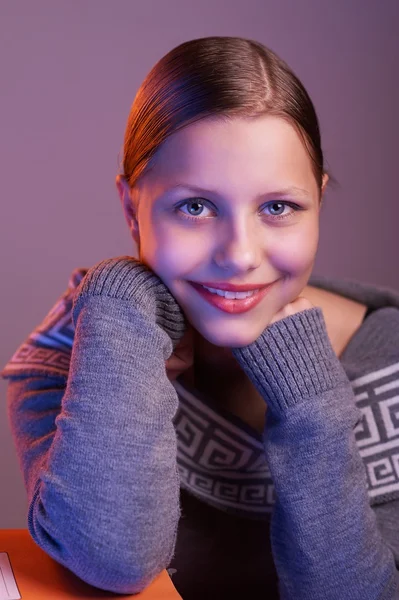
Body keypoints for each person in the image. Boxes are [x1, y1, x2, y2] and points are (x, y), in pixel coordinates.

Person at [1, 36, 399, 600]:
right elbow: (111, 556)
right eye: (196, 206)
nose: (240, 254)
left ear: (319, 201)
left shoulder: (391, 365)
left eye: (278, 207)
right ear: (130, 207)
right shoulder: (82, 345)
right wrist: (118, 299)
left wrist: (310, 400)